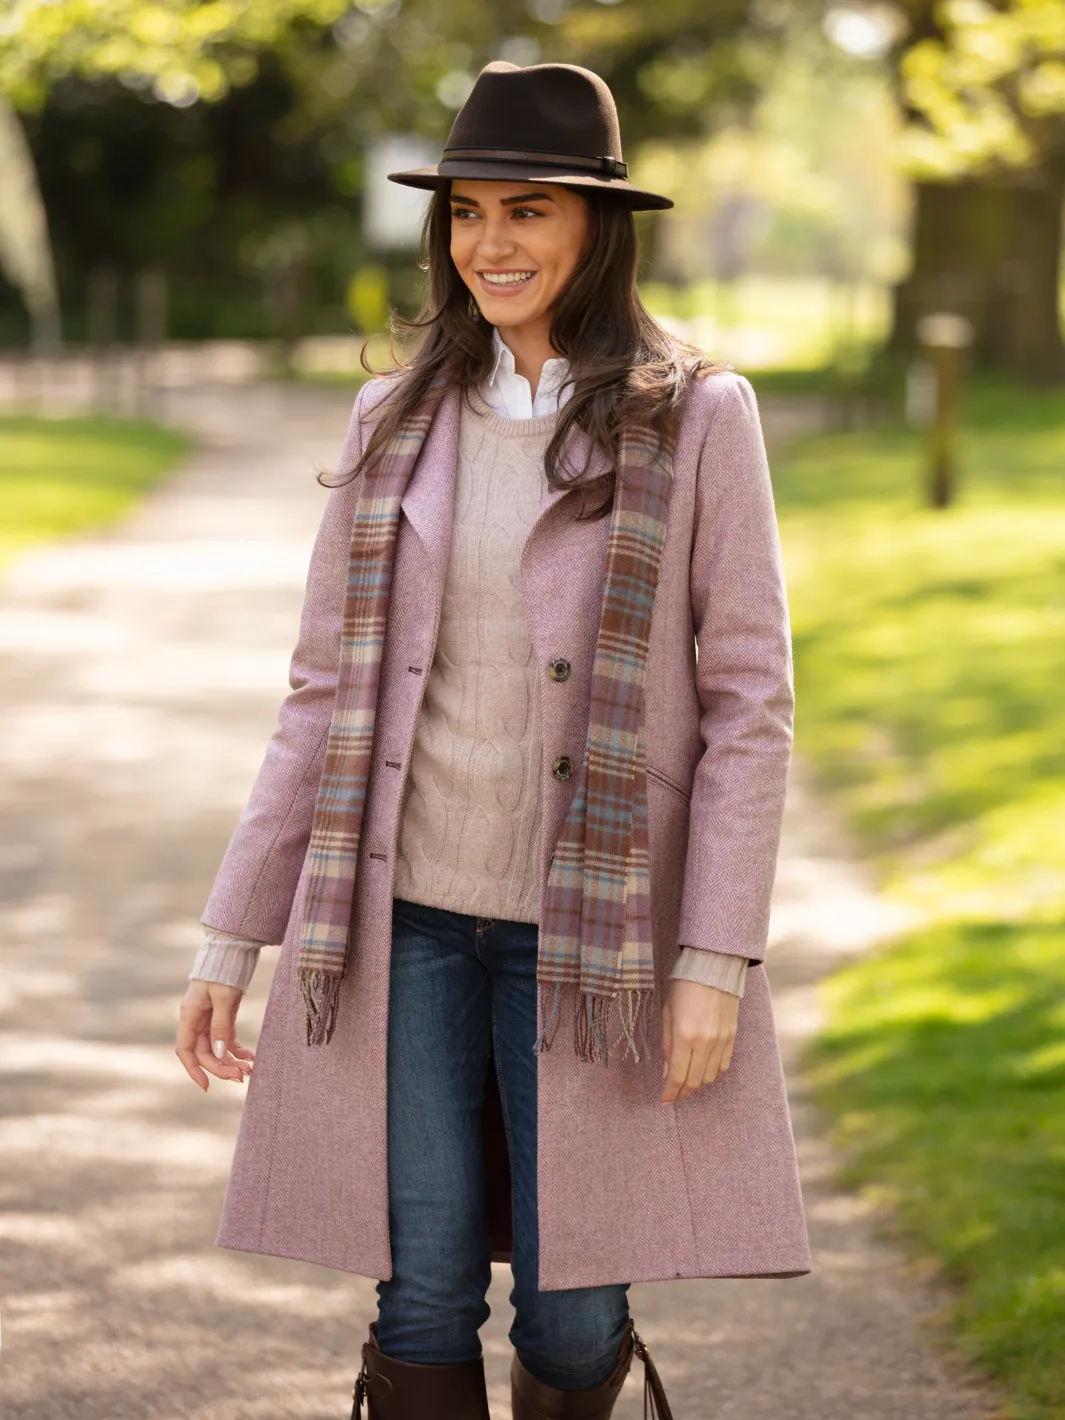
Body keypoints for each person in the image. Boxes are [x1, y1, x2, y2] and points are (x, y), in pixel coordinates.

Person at [176, 60, 810, 1420]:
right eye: (467, 213)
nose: (491, 245)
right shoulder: (392, 420)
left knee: (577, 1317)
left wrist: (717, 958)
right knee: (419, 1290)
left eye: (527, 211)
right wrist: (233, 940)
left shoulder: (697, 417)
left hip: (597, 939)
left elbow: (753, 703)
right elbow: (319, 700)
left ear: (597, 227)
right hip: (405, 922)